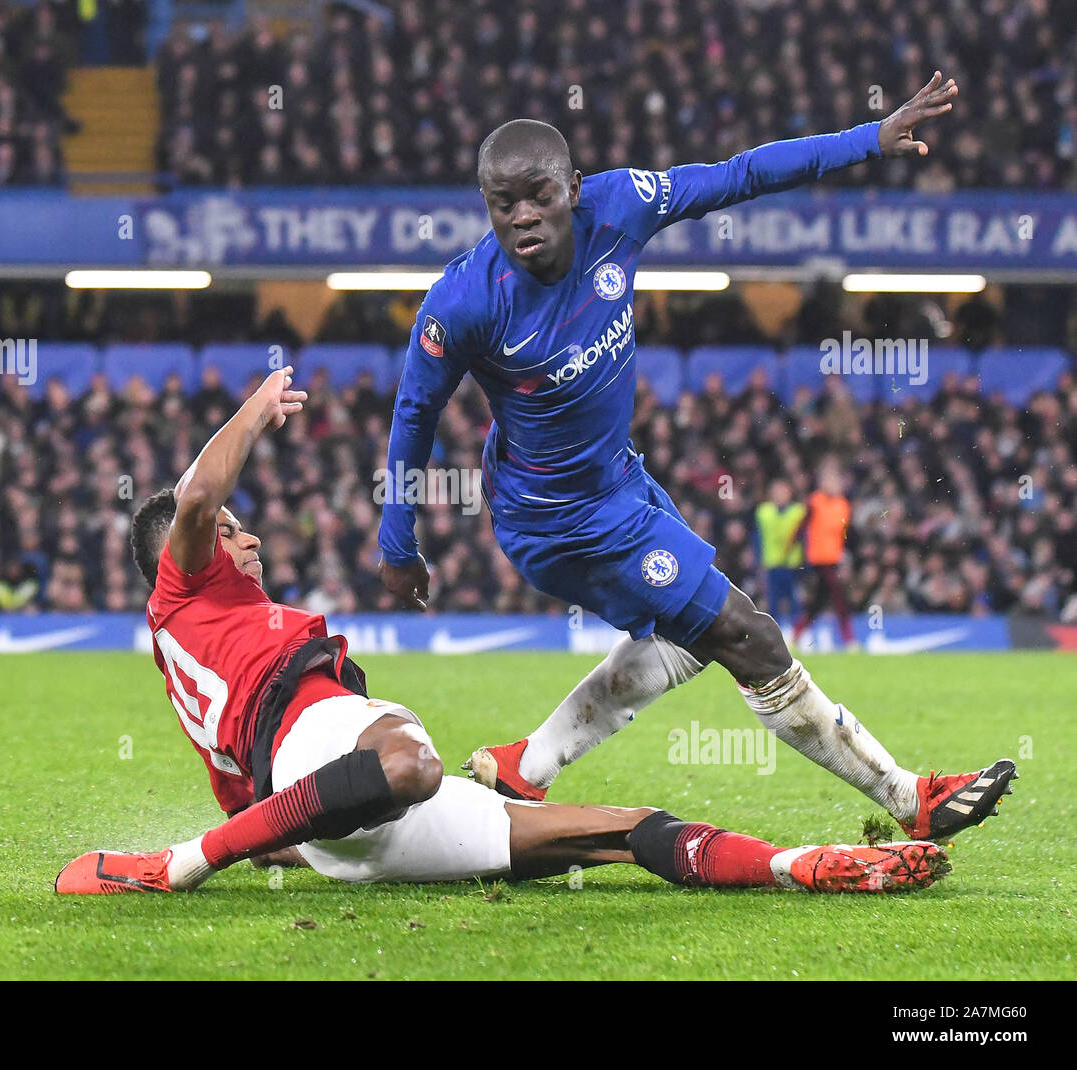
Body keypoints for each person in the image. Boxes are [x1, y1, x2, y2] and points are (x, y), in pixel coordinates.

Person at [376, 74, 1016, 842]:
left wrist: (867, 140)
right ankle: (910, 798)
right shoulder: (464, 302)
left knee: (692, 643)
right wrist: (397, 543)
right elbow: (414, 412)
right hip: (557, 521)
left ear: (573, 188)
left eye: (537, 195)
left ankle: (525, 770)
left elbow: (739, 174)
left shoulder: (621, 206)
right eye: (500, 202)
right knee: (749, 636)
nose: (521, 217)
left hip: (620, 481)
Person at [56, 370, 951, 896]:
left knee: (614, 833)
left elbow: (261, 816)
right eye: (227, 535)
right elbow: (197, 497)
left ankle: (806, 865)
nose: (242, 536)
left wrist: (292, 840)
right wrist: (253, 409)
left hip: (351, 829)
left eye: (239, 531)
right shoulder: (179, 593)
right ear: (178, 557)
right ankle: (176, 865)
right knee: (411, 759)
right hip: (336, 746)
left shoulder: (200, 660)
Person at [792, 466, 857, 649]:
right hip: (820, 559)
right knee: (839, 599)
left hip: (834, 559)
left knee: (817, 603)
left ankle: (796, 635)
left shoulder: (843, 505)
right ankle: (849, 639)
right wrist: (793, 546)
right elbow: (801, 526)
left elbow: (846, 533)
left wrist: (846, 552)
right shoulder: (815, 502)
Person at [755, 479, 805, 627]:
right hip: (772, 564)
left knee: (795, 601)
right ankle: (775, 633)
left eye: (782, 491)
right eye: (776, 492)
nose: (779, 495)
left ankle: (798, 633)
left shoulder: (798, 511)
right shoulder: (763, 512)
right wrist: (759, 562)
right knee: (772, 603)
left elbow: (804, 538)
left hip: (793, 565)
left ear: (789, 493)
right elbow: (757, 538)